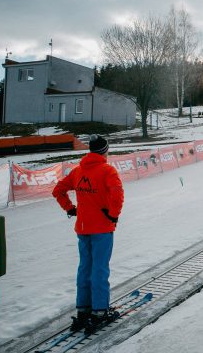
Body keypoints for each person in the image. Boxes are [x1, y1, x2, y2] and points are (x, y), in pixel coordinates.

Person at [52, 135, 124, 334]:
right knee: (100, 269)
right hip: (102, 228)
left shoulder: (78, 171)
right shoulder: (107, 170)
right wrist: (113, 215)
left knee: (85, 268)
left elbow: (58, 190)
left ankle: (83, 309)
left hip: (83, 228)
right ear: (105, 151)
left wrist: (70, 208)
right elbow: (117, 193)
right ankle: (100, 311)